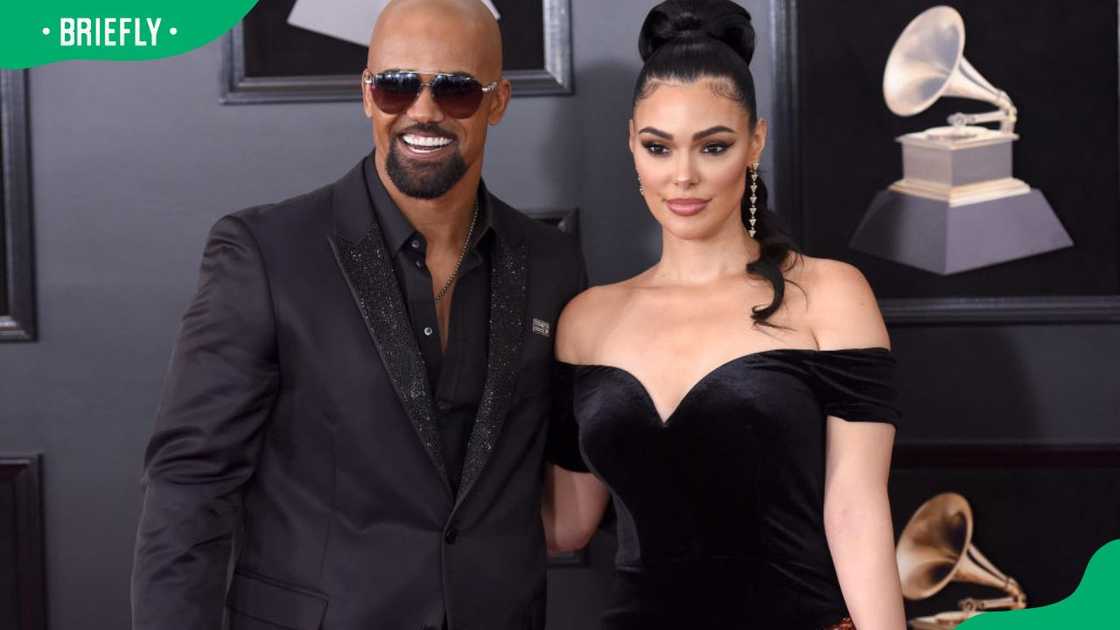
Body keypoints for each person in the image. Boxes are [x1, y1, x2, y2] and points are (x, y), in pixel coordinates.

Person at [131, 1, 586, 629]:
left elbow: (575, 457)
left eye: (455, 89)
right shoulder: (266, 253)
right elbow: (190, 482)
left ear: (498, 101)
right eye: (396, 86)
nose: (421, 111)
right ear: (367, 95)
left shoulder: (552, 263)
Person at [541, 1, 908, 628]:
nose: (682, 176)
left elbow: (856, 511)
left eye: (713, 146)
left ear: (755, 142)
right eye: (659, 147)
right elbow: (568, 524)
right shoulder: (586, 320)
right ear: (632, 143)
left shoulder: (828, 295)